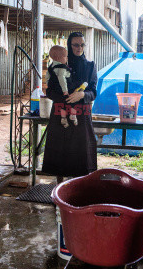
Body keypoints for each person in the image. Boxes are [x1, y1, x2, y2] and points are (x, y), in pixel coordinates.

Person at [42, 32, 98, 183]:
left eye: (82, 45)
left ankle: (79, 189)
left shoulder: (90, 66)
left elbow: (93, 92)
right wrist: (66, 98)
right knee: (60, 150)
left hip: (82, 114)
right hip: (61, 112)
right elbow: (50, 90)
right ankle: (60, 189)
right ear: (69, 46)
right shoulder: (59, 64)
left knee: (81, 154)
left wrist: (82, 96)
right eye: (76, 45)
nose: (79, 48)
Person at [46, 45, 88, 128]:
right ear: (59, 58)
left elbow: (47, 78)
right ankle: (73, 115)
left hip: (56, 91)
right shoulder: (62, 68)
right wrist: (65, 90)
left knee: (61, 104)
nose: (67, 58)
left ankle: (63, 118)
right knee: (72, 101)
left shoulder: (51, 67)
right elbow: (62, 79)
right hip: (65, 89)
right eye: (65, 57)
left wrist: (50, 87)